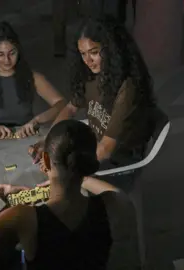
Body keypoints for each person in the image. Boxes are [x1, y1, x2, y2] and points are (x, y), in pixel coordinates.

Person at [0, 120, 119, 269]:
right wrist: (77, 176)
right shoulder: (113, 204)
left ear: (45, 159)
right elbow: (114, 191)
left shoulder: (24, 216)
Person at [30, 18, 156, 193]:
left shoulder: (128, 88)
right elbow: (70, 108)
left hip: (121, 159)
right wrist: (50, 141)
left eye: (94, 52)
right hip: (96, 144)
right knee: (50, 162)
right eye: (83, 54)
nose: (88, 61)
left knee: (61, 185)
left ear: (111, 50)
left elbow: (105, 149)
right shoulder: (92, 76)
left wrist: (65, 174)